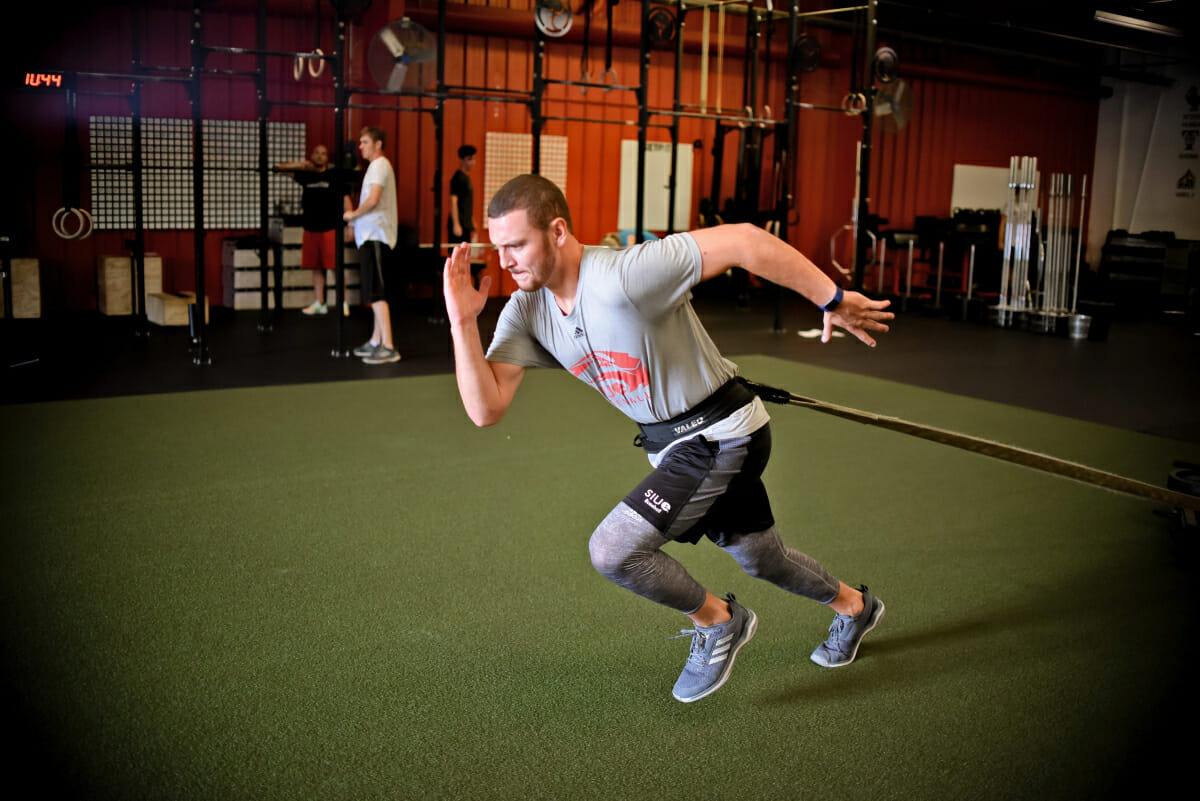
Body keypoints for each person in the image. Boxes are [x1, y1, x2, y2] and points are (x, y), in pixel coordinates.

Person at [443, 174, 895, 704]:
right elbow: (486, 409)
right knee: (761, 558)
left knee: (613, 551)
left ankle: (719, 622)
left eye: (517, 244)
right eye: (497, 249)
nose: (506, 261)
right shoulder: (529, 311)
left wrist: (832, 298)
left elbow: (746, 239)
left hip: (721, 433)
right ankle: (854, 608)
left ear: (558, 231)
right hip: (674, 445)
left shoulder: (625, 275)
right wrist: (462, 322)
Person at [343, 126, 401, 365]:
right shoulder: (375, 167)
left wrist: (352, 215)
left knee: (376, 292)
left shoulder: (379, 165)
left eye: (365, 141)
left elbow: (374, 199)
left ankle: (388, 346)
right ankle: (376, 341)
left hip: (376, 236)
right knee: (373, 292)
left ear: (377, 144)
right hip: (369, 236)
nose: (360, 146)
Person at [273, 144, 352, 316]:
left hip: (330, 228)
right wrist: (299, 164)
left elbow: (346, 200)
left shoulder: (334, 176)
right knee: (316, 267)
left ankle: (343, 303)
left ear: (327, 158)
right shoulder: (305, 175)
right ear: (311, 155)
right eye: (316, 153)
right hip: (310, 228)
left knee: (334, 268)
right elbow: (277, 168)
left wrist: (351, 225)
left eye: (323, 154)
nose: (319, 156)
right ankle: (319, 303)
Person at [448, 145, 477, 245]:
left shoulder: (466, 178)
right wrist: (456, 224)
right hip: (460, 224)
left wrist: (471, 219)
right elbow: (453, 200)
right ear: (464, 160)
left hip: (466, 223)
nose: (473, 162)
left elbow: (466, 202)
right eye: (470, 159)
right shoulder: (458, 178)